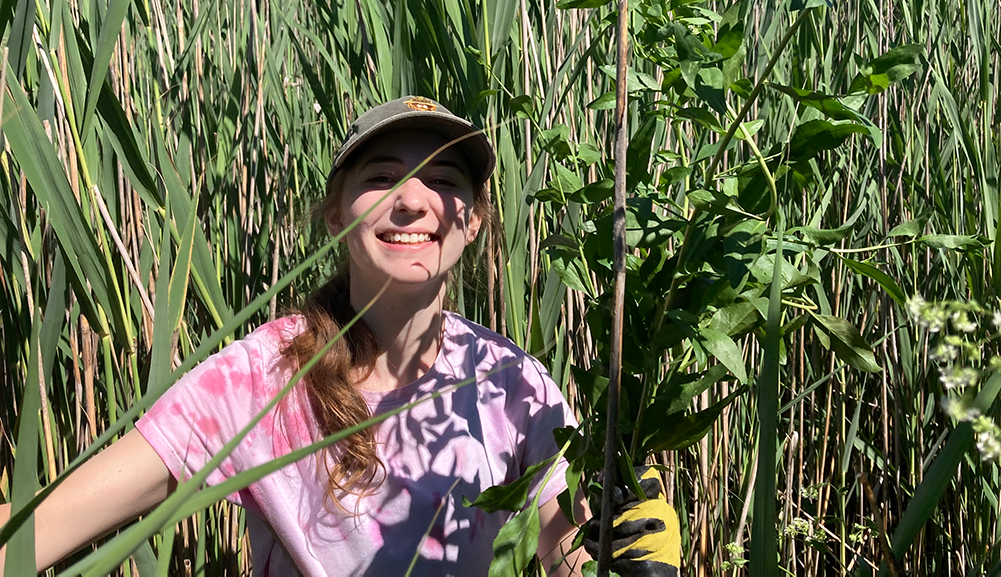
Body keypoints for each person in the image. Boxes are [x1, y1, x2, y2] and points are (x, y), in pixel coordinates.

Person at [0, 96, 680, 575]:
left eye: (442, 180)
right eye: (380, 178)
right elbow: (34, 531)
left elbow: (569, 557)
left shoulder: (510, 383)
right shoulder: (259, 378)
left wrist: (635, 553)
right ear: (335, 212)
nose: (411, 199)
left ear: (472, 222)